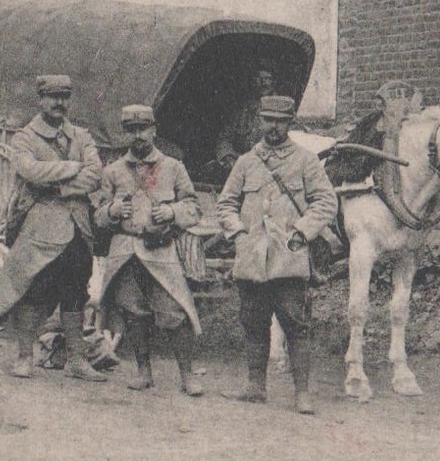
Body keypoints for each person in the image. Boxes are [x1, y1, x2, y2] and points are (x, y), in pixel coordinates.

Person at [216, 94, 337, 415]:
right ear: (260, 120)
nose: (273, 127)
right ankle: (256, 387)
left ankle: (302, 394)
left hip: (290, 259)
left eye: (280, 121)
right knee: (253, 323)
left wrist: (302, 232)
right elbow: (226, 203)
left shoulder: (305, 161)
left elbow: (326, 201)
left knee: (297, 326)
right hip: (252, 260)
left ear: (290, 122)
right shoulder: (245, 162)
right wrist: (238, 232)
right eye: (268, 119)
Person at [0, 75, 105, 381]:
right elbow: (29, 171)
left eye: (65, 96)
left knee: (76, 291)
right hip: (40, 224)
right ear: (40, 100)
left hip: (78, 225)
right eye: (52, 97)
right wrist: (70, 168)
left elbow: (95, 174)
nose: (59, 103)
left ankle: (78, 359)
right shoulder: (25, 137)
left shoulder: (82, 136)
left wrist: (60, 185)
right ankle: (25, 356)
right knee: (34, 288)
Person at [97, 105, 204, 395]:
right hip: (125, 252)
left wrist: (171, 212)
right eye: (131, 130)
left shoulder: (173, 167)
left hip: (160, 251)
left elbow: (194, 208)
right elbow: (97, 215)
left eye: (143, 128)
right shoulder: (113, 171)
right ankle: (144, 372)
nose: (138, 136)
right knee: (133, 313)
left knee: (174, 312)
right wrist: (112, 210)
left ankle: (187, 376)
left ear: (154, 130)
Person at [213, 67, 276, 175]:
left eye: (268, 78)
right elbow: (225, 139)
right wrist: (229, 158)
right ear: (252, 82)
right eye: (258, 78)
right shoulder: (242, 111)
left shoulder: (281, 110)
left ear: (274, 82)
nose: (263, 82)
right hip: (241, 169)